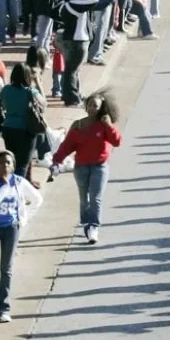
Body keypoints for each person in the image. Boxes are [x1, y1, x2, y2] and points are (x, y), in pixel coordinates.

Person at [50, 91, 122, 244]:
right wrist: (56, 161)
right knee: (84, 198)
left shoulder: (104, 125)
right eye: (89, 105)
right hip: (81, 167)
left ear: (101, 108)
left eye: (95, 106)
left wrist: (109, 126)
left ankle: (93, 226)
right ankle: (86, 223)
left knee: (96, 198)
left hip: (100, 167)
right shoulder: (78, 125)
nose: (91, 108)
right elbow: (67, 146)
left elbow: (117, 142)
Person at [0, 149, 41, 322]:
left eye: (8, 162)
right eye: (1, 162)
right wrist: (4, 185)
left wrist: (24, 219)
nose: (5, 165)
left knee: (6, 269)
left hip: (11, 228)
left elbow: (37, 199)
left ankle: (3, 310)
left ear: (13, 166)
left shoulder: (19, 182)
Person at [0, 62, 44, 178]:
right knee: (22, 165)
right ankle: (18, 186)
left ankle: (21, 182)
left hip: (8, 129)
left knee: (13, 161)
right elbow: (43, 105)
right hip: (26, 130)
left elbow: (1, 103)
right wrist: (38, 84)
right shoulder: (30, 91)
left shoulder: (6, 89)